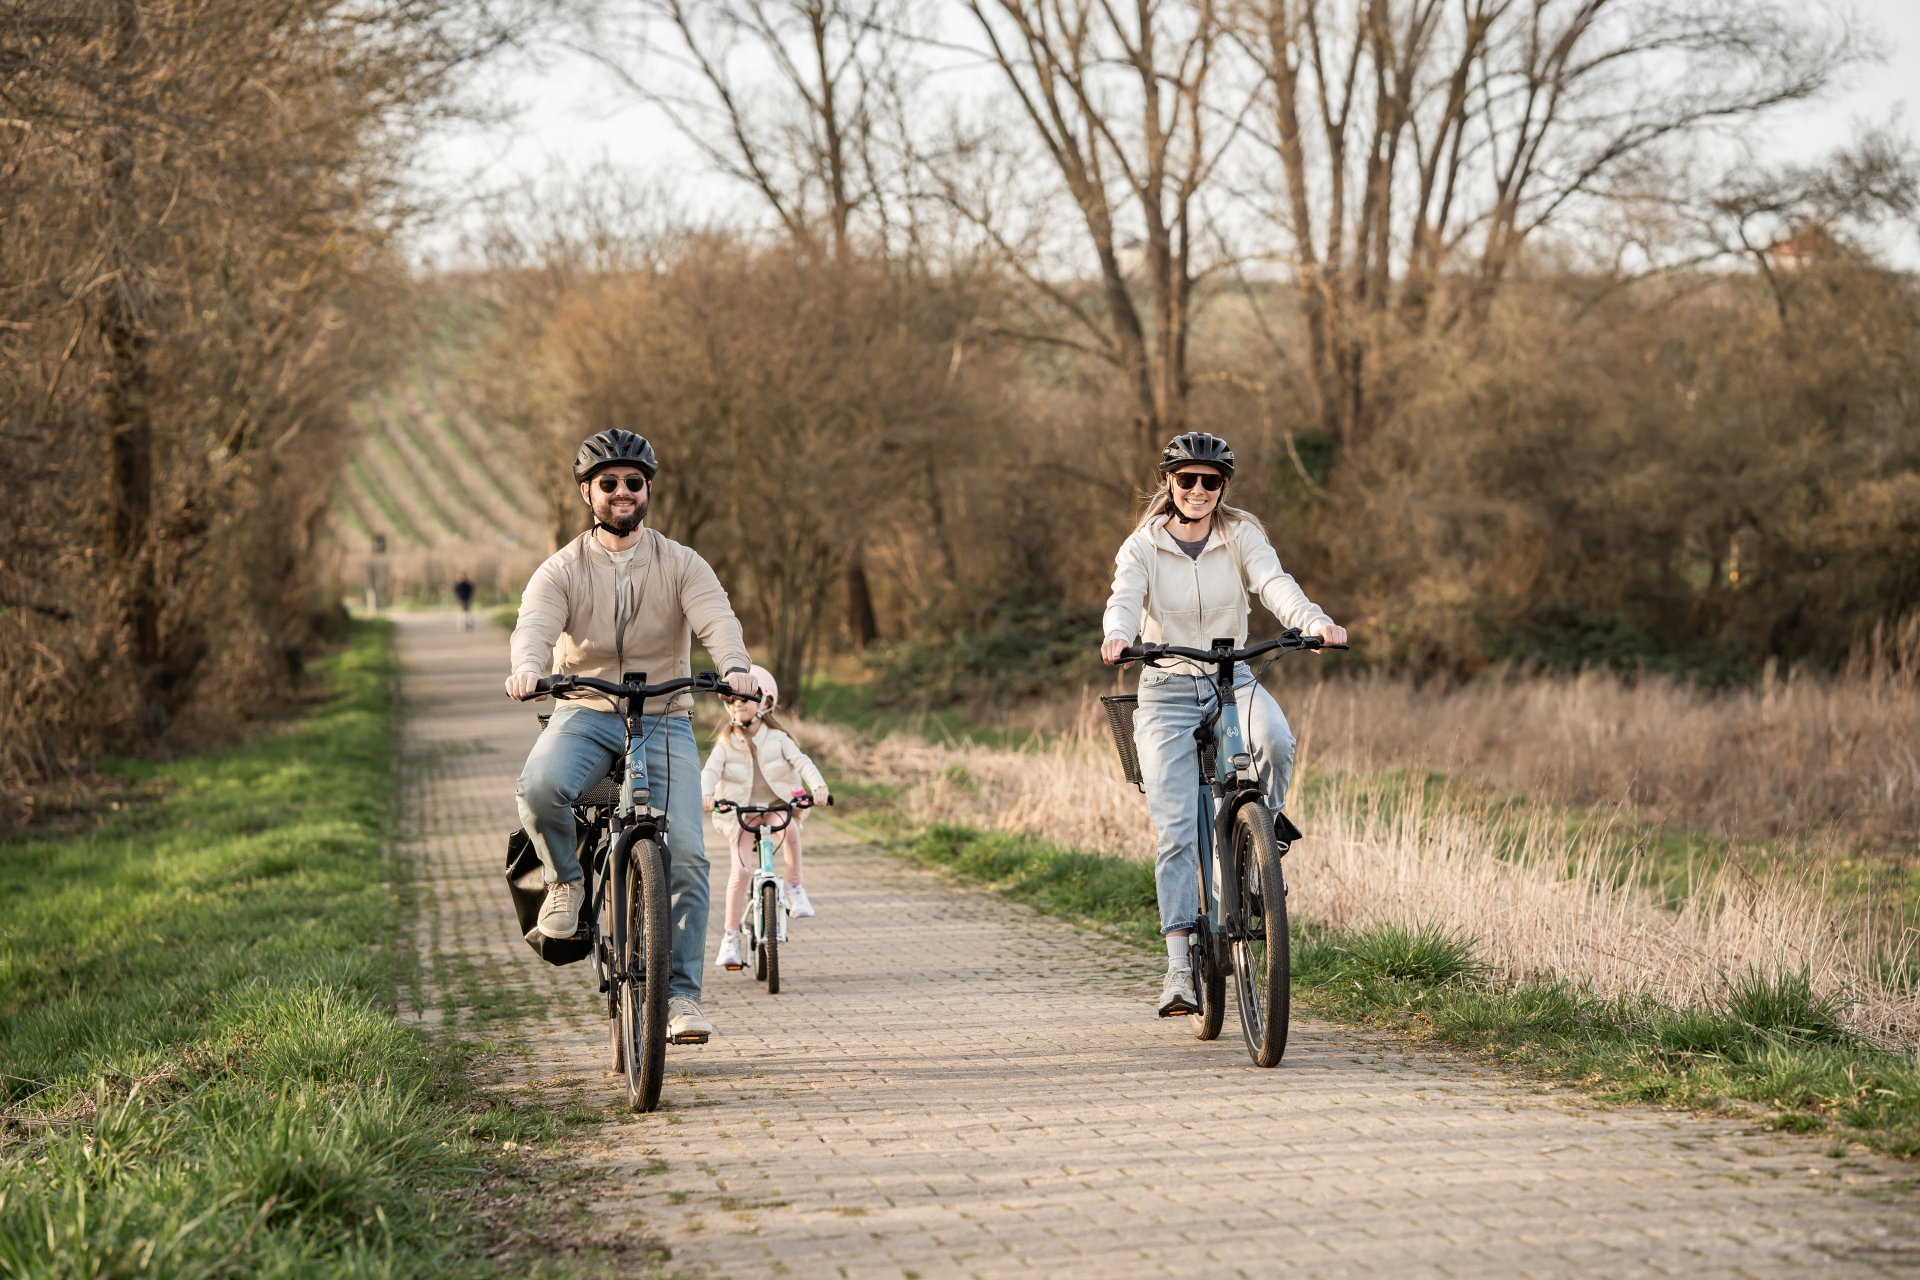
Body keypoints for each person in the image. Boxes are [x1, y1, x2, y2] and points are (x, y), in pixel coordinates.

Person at [505, 429, 758, 1045]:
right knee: (540, 788)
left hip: (664, 715)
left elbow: (717, 621)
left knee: (691, 857)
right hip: (585, 709)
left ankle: (681, 999)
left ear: (647, 491)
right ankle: (565, 882)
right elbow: (534, 626)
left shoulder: (682, 563)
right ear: (588, 493)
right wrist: (528, 669)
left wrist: (735, 668)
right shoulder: (561, 568)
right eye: (609, 483)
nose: (623, 492)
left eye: (634, 483)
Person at [1099, 431, 1348, 1019]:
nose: (1198, 491)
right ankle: (1179, 968)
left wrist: (1313, 621)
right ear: (1169, 483)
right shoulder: (1142, 546)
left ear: (1223, 487)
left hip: (1232, 680)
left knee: (1276, 740)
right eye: (1187, 479)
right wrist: (1119, 635)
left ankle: (1259, 845)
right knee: (1178, 828)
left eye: (1211, 481)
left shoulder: (1241, 535)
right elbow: (1124, 598)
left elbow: (1273, 584)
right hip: (1164, 687)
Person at [699, 664, 830, 971]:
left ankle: (796, 889)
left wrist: (820, 787)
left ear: (766, 701)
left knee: (791, 834)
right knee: (741, 871)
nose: (738, 704)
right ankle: (730, 938)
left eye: (746, 698)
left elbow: (804, 762)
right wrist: (706, 795)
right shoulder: (726, 741)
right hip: (741, 812)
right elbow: (710, 772)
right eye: (731, 700)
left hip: (776, 806)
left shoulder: (778, 738)